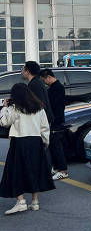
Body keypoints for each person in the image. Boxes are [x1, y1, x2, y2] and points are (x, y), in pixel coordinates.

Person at [0, 83, 54, 215]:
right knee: (34, 170)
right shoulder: (39, 107)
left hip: (20, 141)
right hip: (36, 142)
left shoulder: (15, 108)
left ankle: (21, 202)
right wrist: (45, 143)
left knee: (16, 170)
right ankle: (34, 202)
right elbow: (45, 127)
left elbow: (4, 122)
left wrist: (4, 108)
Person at [40, 69, 68, 180]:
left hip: (56, 121)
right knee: (52, 145)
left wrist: (53, 120)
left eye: (44, 80)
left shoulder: (57, 88)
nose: (44, 83)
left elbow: (55, 106)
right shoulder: (54, 87)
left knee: (56, 146)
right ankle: (57, 168)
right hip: (55, 120)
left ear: (48, 77)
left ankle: (63, 170)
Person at [21, 61, 53, 126]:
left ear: (28, 71)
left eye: (23, 69)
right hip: (43, 119)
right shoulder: (36, 82)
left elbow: (38, 104)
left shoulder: (34, 85)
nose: (21, 72)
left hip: (41, 121)